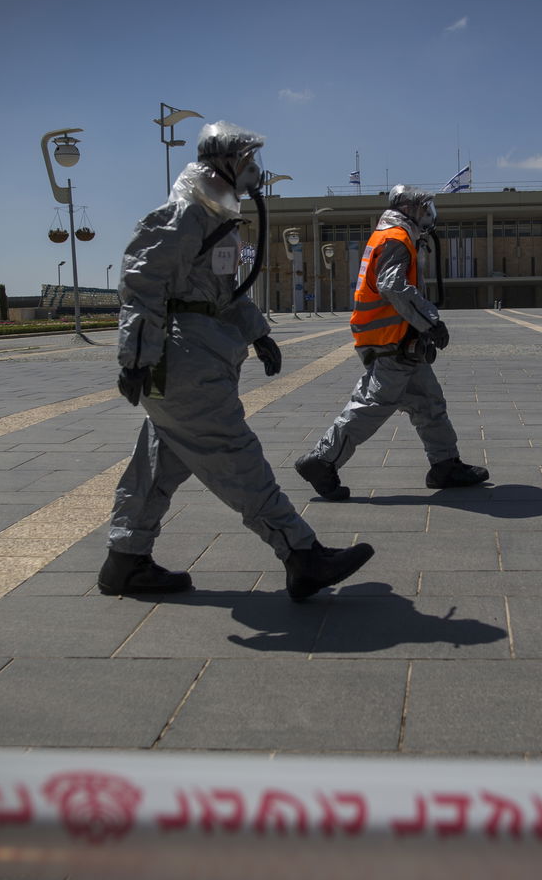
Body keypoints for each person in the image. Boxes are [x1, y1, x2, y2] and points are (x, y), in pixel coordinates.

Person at [100, 121, 374, 601]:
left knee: (158, 462)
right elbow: (142, 285)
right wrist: (136, 357)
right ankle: (300, 553)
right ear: (223, 163)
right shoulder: (183, 214)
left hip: (199, 352)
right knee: (235, 455)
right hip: (182, 360)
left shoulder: (215, 219)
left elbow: (224, 292)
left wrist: (258, 333)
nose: (255, 173)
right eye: (248, 162)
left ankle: (125, 561)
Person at [294, 185, 488, 501]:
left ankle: (445, 465)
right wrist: (431, 321)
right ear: (410, 209)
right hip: (391, 341)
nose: (429, 217)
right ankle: (322, 460)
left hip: (397, 339)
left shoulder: (391, 237)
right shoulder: (396, 239)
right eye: (425, 210)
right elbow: (393, 287)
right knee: (372, 404)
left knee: (428, 403)